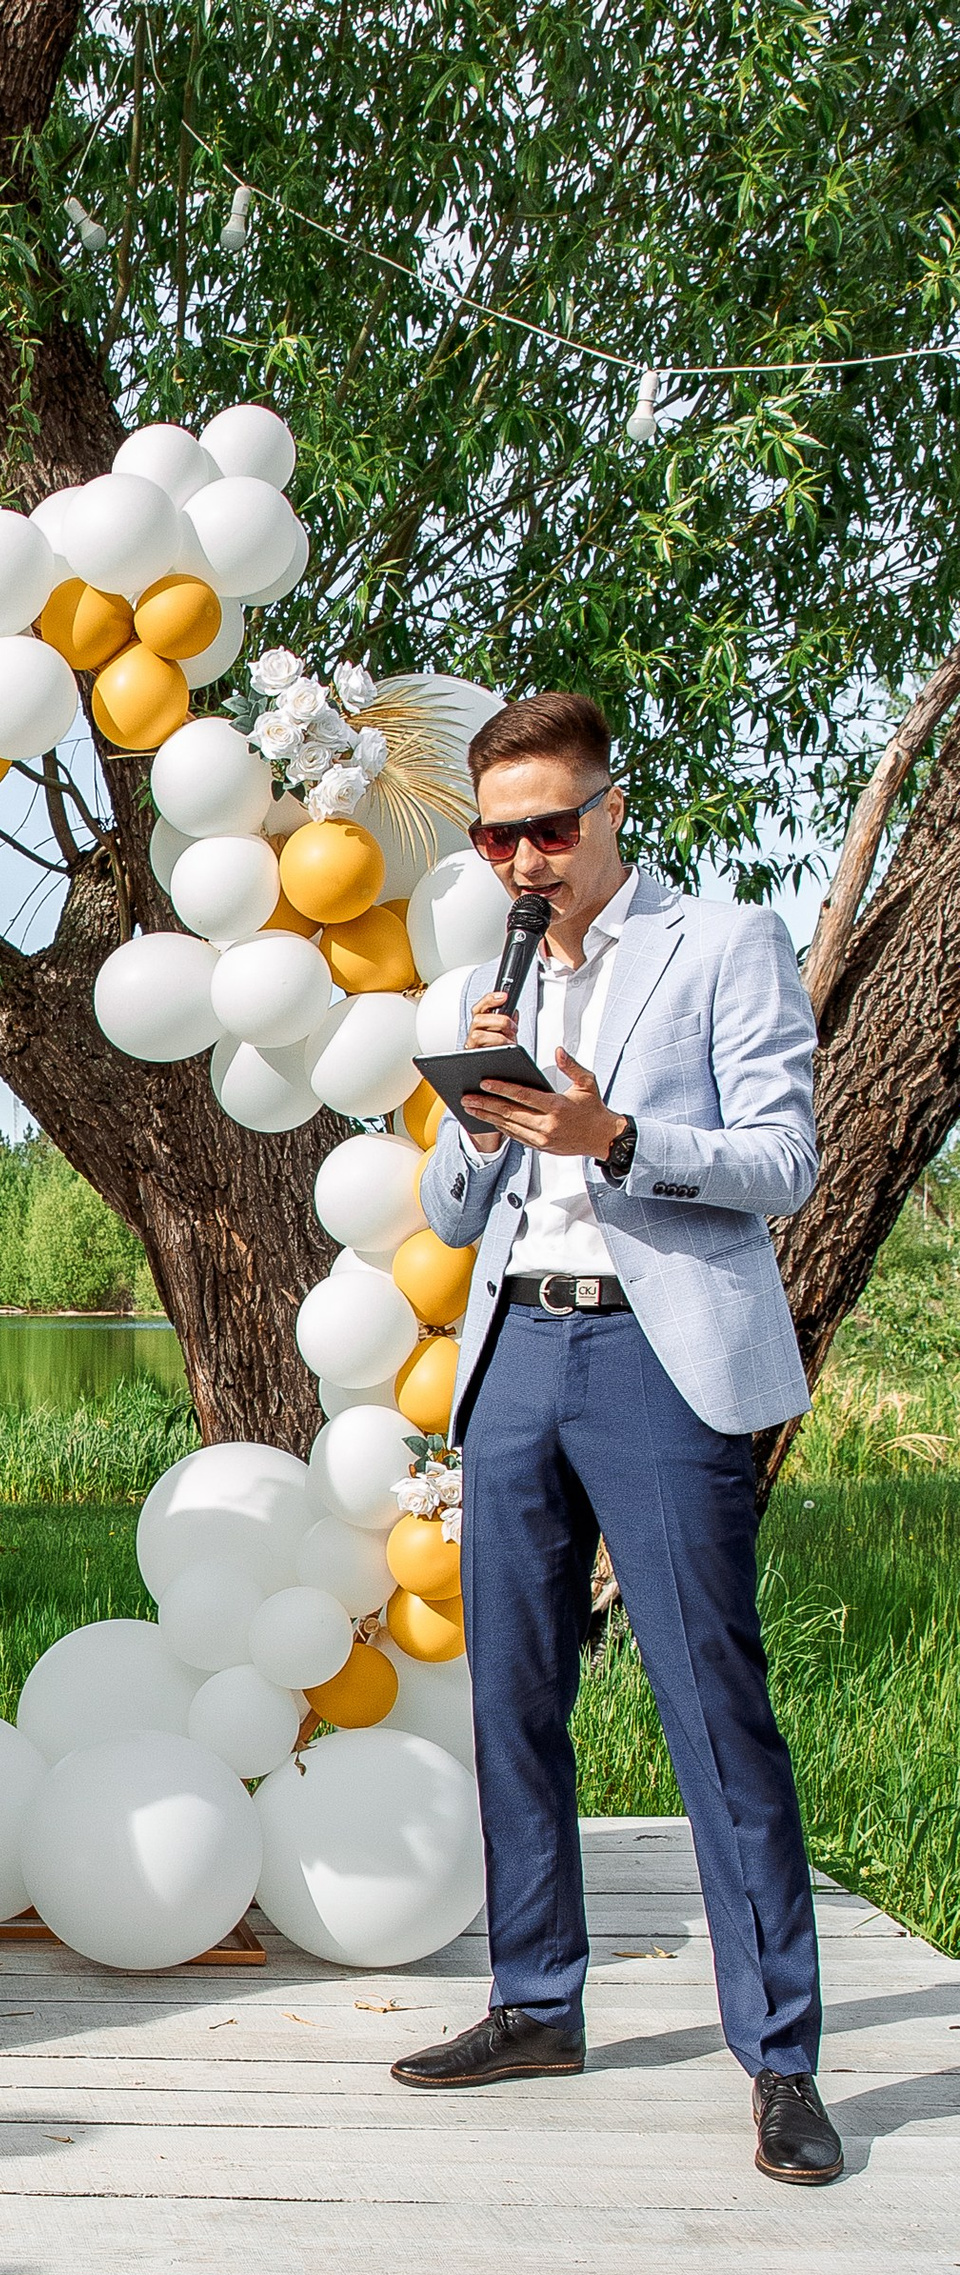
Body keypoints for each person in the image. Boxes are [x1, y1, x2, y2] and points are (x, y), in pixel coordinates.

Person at [392, 689, 841, 2188]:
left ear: (610, 809)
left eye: (551, 826)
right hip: (519, 1350)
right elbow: (456, 1216)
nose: (525, 857)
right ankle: (535, 2004)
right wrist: (482, 1111)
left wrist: (616, 1141)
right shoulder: (477, 994)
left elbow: (784, 1162)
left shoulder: (723, 945)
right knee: (513, 1691)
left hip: (660, 1356)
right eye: (498, 835)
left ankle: (780, 2062)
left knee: (713, 1700)